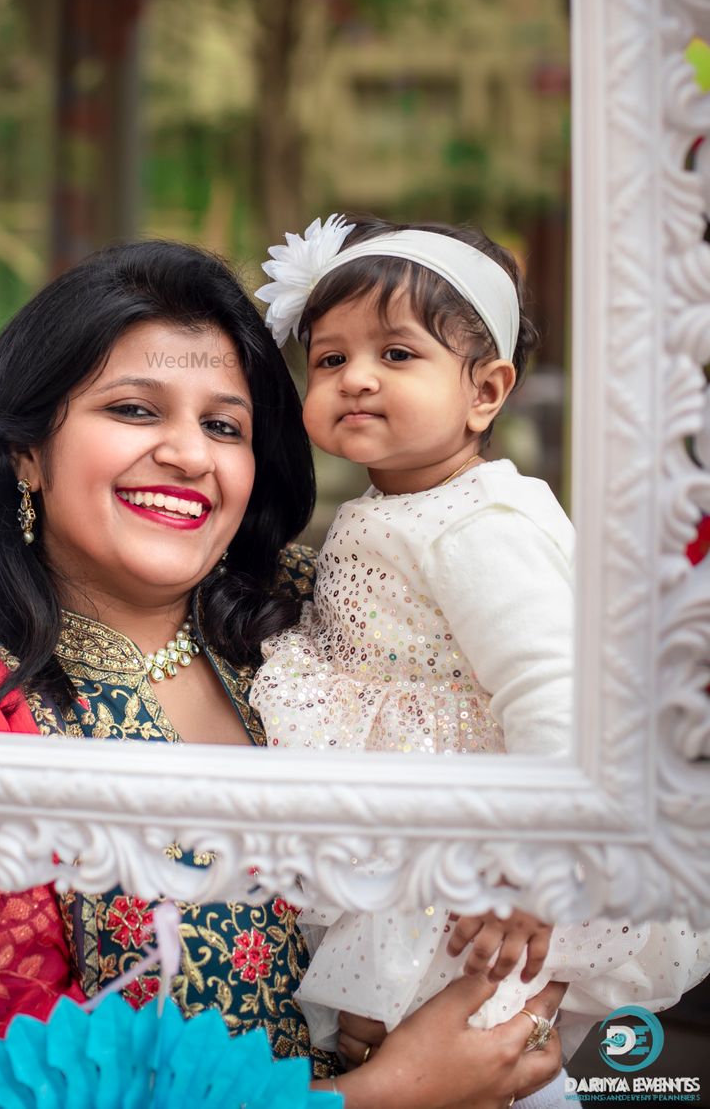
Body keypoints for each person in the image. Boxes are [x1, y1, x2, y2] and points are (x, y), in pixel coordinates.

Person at [0, 240, 565, 1109]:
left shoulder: (325, 622)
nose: (189, 455)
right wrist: (393, 1093)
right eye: (136, 410)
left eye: (224, 426)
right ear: (26, 449)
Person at [250, 213, 708, 1088]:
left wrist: (539, 875)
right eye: (332, 358)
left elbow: (559, 695)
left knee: (466, 1047)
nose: (356, 379)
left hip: (476, 864)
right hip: (422, 848)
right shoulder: (402, 505)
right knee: (396, 1048)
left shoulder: (481, 522)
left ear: (486, 392)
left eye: (397, 355)